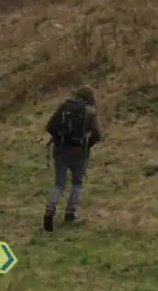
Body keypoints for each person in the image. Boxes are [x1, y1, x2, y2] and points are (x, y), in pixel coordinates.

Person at [43, 85, 104, 232]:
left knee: (59, 184)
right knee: (77, 183)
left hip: (60, 149)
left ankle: (49, 211)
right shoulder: (90, 112)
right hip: (78, 152)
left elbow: (50, 126)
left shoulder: (65, 106)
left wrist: (58, 139)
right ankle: (70, 213)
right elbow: (98, 134)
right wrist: (86, 145)